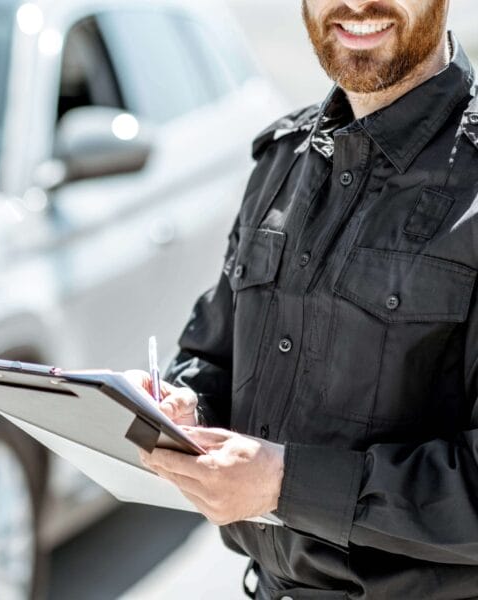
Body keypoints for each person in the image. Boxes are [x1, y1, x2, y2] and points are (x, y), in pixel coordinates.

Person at [128, 0, 478, 597]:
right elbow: (213, 358)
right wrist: (183, 406)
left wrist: (284, 483)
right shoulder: (280, 161)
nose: (357, 4)